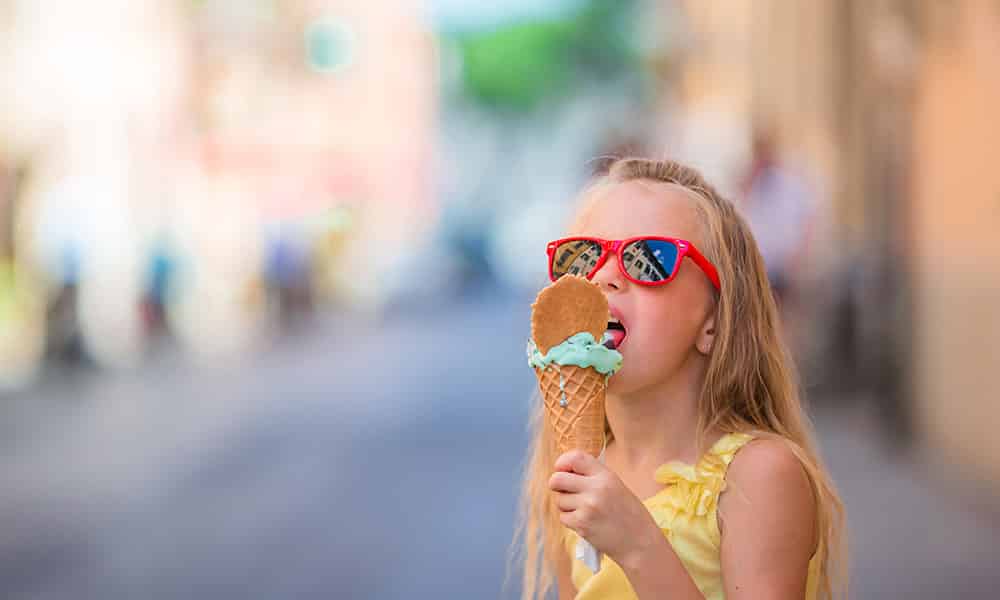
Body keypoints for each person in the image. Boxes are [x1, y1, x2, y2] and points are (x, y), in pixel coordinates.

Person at [513, 158, 844, 599]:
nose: (606, 277)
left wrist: (637, 544)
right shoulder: (578, 472)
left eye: (648, 260)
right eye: (583, 257)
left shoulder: (757, 478)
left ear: (712, 320)